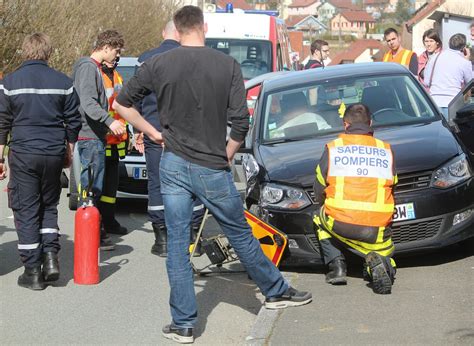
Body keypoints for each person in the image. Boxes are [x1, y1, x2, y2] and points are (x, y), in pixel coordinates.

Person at [114, 6, 312, 343]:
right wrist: (228, 152)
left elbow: (121, 104)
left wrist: (153, 132)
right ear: (204, 27)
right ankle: (275, 291)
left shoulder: (158, 64)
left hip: (173, 163)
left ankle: (184, 325)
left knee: (177, 244)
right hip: (211, 165)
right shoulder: (227, 65)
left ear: (175, 30)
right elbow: (241, 123)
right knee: (239, 233)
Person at [0, 33, 81, 290]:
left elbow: (2, 122)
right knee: (49, 205)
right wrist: (68, 149)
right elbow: (74, 120)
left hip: (24, 154)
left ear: (25, 51)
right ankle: (50, 259)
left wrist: (0, 156)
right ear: (48, 52)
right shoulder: (63, 82)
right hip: (53, 152)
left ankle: (32, 271)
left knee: (26, 210)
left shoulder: (9, 83)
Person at [135, 20, 205, 257]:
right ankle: (192, 236)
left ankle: (162, 239)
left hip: (155, 131)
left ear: (163, 33)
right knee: (191, 182)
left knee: (157, 182)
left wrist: (138, 130)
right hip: (187, 132)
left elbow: (134, 97)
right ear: (180, 34)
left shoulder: (146, 58)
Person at [313, 103, 397, 295]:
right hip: (376, 228)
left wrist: (325, 202)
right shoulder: (385, 150)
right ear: (371, 123)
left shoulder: (334, 148)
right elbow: (394, 186)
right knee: (385, 253)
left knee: (318, 217)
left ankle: (337, 268)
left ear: (345, 124)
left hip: (340, 222)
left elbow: (318, 186)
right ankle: (377, 265)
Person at [72, 30, 126, 250]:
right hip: (90, 136)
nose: (117, 56)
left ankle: (94, 232)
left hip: (94, 137)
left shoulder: (91, 68)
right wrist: (109, 121)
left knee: (94, 188)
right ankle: (93, 234)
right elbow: (87, 102)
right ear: (105, 47)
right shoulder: (87, 68)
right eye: (116, 50)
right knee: (91, 189)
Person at [99, 57, 129, 235]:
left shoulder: (118, 77)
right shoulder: (96, 75)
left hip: (116, 139)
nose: (114, 59)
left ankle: (109, 221)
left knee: (110, 188)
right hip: (100, 139)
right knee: (96, 187)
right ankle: (97, 225)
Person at [423, 33, 473, 119]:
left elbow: (426, 82)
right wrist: (467, 59)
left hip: (433, 103)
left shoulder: (434, 57)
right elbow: (470, 83)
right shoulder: (464, 62)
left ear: (449, 43)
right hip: (453, 103)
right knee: (451, 131)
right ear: (464, 48)